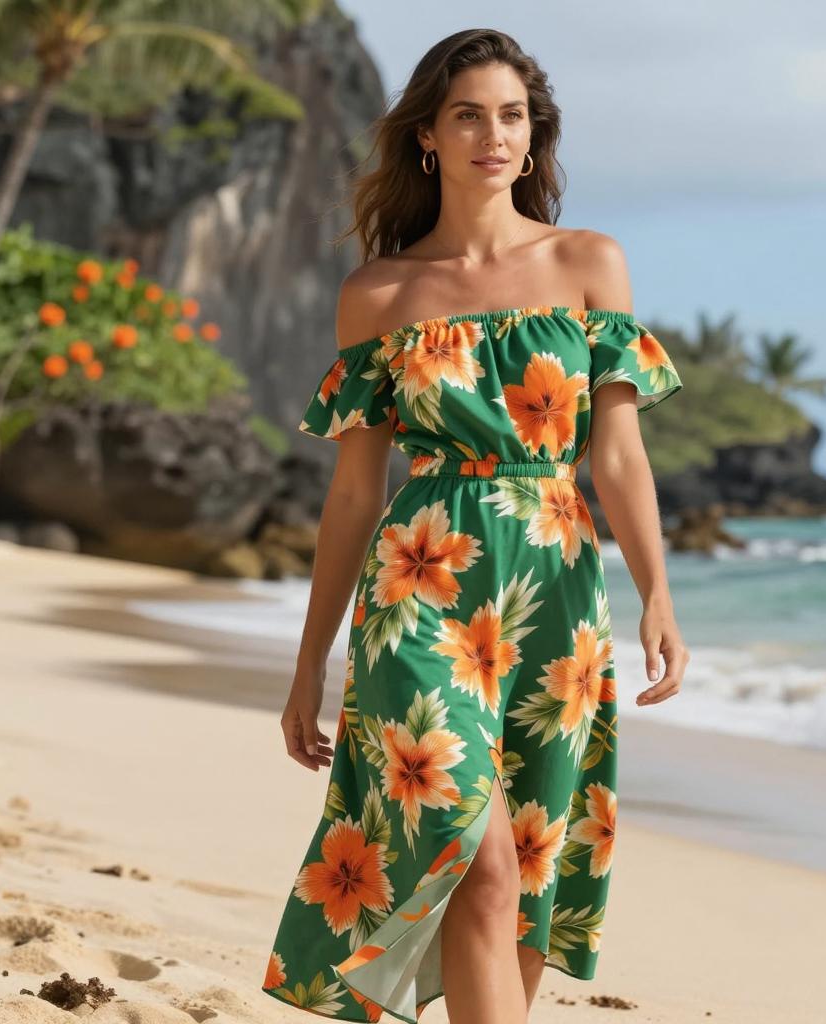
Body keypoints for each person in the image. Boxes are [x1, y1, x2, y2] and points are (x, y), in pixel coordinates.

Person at [262, 27, 690, 1024]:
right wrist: (308, 660)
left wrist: (658, 591)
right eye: (468, 115)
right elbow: (355, 496)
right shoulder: (378, 294)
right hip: (422, 580)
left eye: (512, 116)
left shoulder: (589, 264)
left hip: (554, 588)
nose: (493, 134)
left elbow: (618, 455)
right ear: (428, 137)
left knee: (526, 876)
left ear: (533, 136)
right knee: (477, 851)